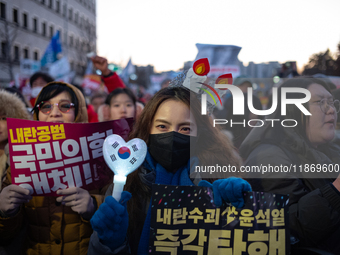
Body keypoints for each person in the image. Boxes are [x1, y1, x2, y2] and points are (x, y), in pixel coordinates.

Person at [88, 85, 251, 254]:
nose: (173, 136)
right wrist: (109, 244)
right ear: (148, 128)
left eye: (185, 128)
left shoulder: (216, 178)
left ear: (200, 134)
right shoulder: (125, 187)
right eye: (162, 127)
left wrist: (239, 214)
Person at [0, 82, 106, 255]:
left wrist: (94, 207)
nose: (55, 113)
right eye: (46, 106)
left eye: (65, 106)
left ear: (78, 112)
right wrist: (5, 212)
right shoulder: (20, 162)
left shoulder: (99, 159)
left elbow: (121, 223)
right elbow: (6, 236)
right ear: (36, 114)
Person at [239, 77, 340, 253]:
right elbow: (285, 227)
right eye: (320, 102)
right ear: (292, 109)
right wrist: (335, 191)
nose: (331, 110)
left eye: (332, 102)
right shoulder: (268, 157)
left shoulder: (328, 150)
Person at [215, 76, 263, 149]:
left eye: (248, 87)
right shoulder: (231, 101)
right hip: (246, 144)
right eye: (242, 86)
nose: (245, 89)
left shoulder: (231, 100)